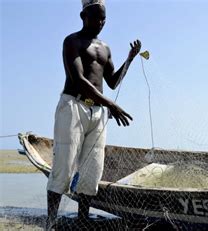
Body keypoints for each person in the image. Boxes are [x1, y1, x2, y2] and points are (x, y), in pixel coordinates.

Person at [46, 0, 141, 229]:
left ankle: (82, 221)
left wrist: (130, 58)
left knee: (92, 170)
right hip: (73, 107)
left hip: (98, 112)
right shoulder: (72, 41)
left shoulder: (105, 48)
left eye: (104, 18)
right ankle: (50, 223)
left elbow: (113, 81)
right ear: (83, 15)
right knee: (63, 167)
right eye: (96, 17)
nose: (101, 22)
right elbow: (79, 80)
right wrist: (113, 106)